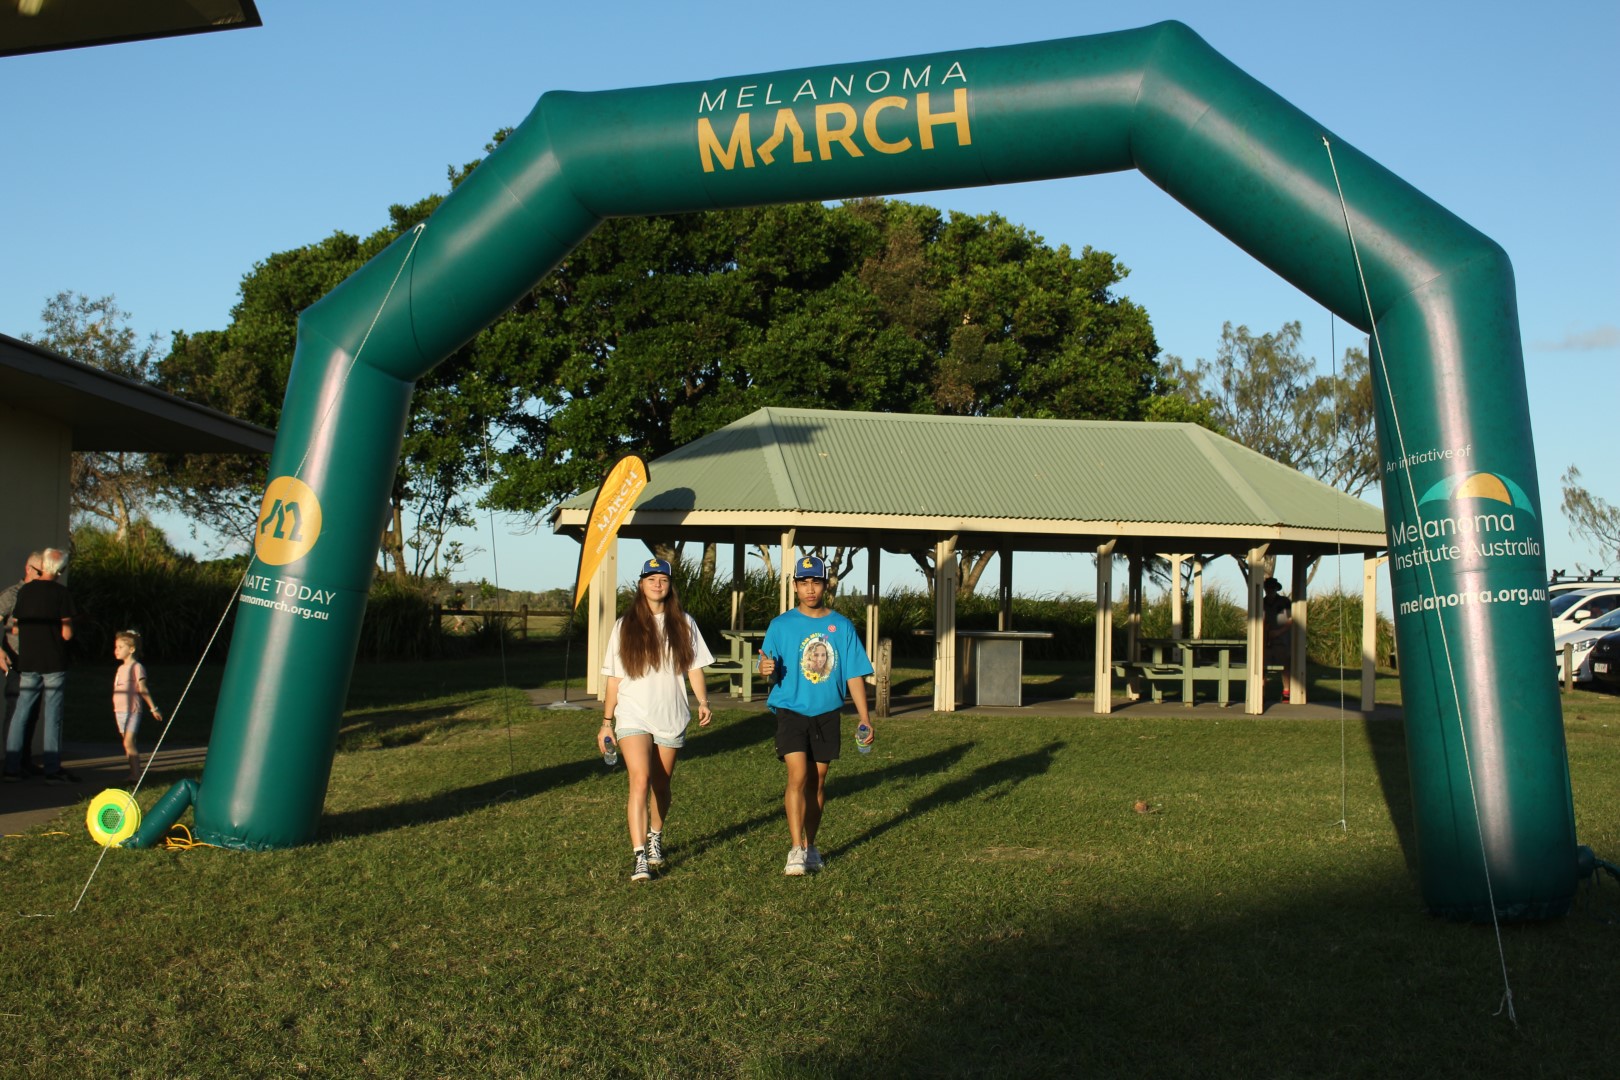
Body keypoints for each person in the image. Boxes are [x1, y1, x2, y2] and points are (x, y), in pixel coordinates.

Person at [599, 557, 714, 882]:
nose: (657, 583)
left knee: (661, 785)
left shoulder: (685, 623)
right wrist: (606, 722)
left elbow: (694, 668)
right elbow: (614, 679)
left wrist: (703, 702)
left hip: (671, 715)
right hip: (632, 713)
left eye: (663, 578)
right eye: (651, 578)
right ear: (641, 584)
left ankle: (655, 836)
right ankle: (640, 857)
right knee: (640, 779)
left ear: (669, 585)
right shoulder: (624, 625)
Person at [758, 555, 874, 877]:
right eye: (804, 582)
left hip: (827, 712)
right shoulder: (780, 625)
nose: (810, 589)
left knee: (818, 781)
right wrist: (764, 668)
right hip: (791, 710)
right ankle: (795, 848)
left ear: (826, 585)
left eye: (816, 582)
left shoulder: (842, 626)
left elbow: (854, 674)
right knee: (798, 776)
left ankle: (811, 846)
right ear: (795, 586)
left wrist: (864, 717)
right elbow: (767, 665)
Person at [3, 548, 77, 783]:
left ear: (42, 565)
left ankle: (12, 767)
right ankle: (52, 770)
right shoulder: (61, 594)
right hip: (54, 660)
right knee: (52, 715)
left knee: (21, 713)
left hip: (28, 660)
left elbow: (16, 628)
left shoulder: (24, 592)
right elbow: (66, 634)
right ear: (60, 570)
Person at [0, 552, 44, 776]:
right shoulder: (12, 595)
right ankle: (12, 763)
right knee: (16, 710)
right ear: (28, 569)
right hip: (16, 662)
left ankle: (25, 760)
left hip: (37, 662)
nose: (43, 576)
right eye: (39, 572)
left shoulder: (42, 595)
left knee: (32, 713)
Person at [111, 630, 162, 786]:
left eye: (121, 647)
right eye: (116, 647)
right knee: (127, 744)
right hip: (119, 710)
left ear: (131, 649)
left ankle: (136, 775)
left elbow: (142, 688)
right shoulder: (121, 668)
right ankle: (133, 773)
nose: (116, 650)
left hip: (132, 710)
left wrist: (153, 708)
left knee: (128, 742)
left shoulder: (137, 667)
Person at [1262, 577, 1293, 702]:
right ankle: (1261, 693)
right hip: (1266, 640)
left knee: (1285, 666)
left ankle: (1286, 692)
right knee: (1262, 667)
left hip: (1282, 640)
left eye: (1272, 588)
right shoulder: (1261, 602)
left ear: (1276, 588)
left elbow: (1291, 620)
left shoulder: (1285, 602)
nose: (1270, 590)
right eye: (1268, 588)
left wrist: (1278, 632)